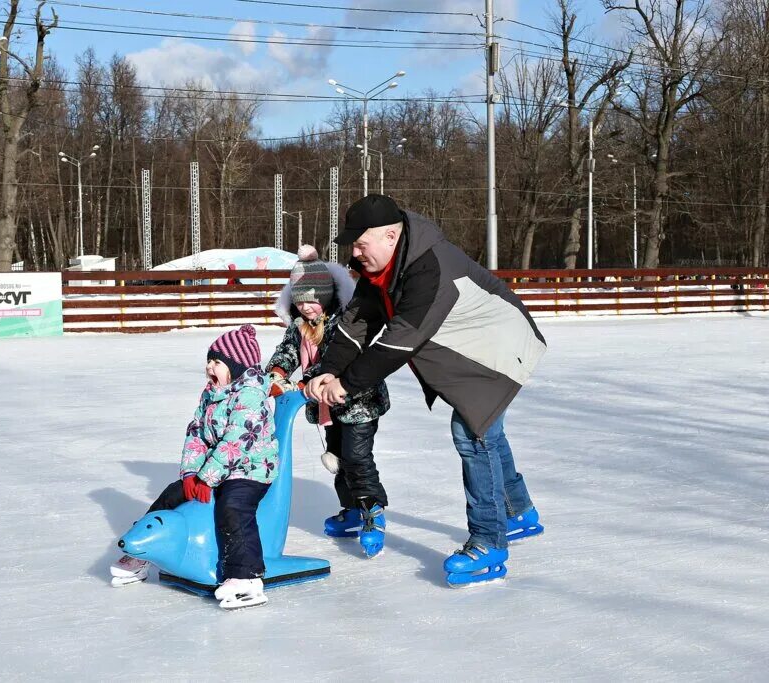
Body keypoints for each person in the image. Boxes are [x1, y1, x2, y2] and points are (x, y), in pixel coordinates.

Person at [307, 194, 547, 587]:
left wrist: (345, 386)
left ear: (390, 235)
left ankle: (490, 542)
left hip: (500, 347)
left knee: (472, 432)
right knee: (487, 430)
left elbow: (398, 343)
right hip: (471, 350)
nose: (355, 251)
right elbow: (356, 323)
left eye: (361, 243)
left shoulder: (430, 269)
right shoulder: (380, 267)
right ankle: (518, 512)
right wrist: (329, 369)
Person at [110, 324, 278, 607]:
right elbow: (197, 434)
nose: (209, 367)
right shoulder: (211, 394)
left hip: (251, 468)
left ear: (238, 367)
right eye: (209, 361)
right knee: (172, 494)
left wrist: (206, 478)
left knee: (233, 506)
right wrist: (190, 474)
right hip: (214, 470)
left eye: (218, 362)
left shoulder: (250, 396)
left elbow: (235, 443)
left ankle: (246, 577)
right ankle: (142, 554)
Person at [265, 245, 391, 558]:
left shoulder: (344, 321)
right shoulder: (299, 326)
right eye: (300, 301)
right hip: (328, 407)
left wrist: (305, 382)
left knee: (356, 458)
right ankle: (350, 509)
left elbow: (337, 360)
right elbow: (289, 351)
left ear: (325, 296)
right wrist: (276, 372)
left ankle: (373, 513)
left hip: (359, 401)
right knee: (337, 457)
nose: (307, 308)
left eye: (312, 300)